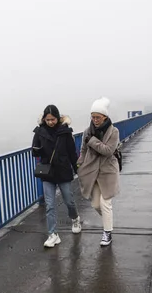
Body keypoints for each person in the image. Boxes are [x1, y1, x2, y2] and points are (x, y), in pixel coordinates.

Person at [32, 105, 82, 248]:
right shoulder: (39, 132)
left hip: (63, 170)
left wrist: (76, 168)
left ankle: (75, 218)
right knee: (50, 205)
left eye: (53, 119)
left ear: (58, 118)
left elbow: (72, 152)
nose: (50, 122)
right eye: (47, 120)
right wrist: (36, 149)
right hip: (48, 172)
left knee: (69, 201)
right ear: (44, 119)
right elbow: (35, 151)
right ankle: (53, 234)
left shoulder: (65, 132)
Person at [77, 97, 120, 246]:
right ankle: (108, 220)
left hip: (108, 171)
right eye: (93, 117)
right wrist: (80, 164)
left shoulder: (113, 131)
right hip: (92, 171)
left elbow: (108, 151)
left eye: (98, 117)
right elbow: (83, 150)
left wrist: (92, 141)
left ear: (105, 117)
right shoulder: (87, 131)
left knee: (105, 202)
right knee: (96, 204)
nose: (95, 120)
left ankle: (107, 233)